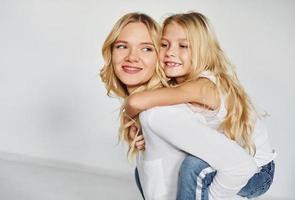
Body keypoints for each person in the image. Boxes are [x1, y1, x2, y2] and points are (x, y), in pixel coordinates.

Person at [100, 12, 259, 200]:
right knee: (140, 174)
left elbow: (241, 166)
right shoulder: (153, 112)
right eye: (122, 46)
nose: (132, 57)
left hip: (254, 171)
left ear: (160, 58)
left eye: (147, 49)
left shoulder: (159, 115)